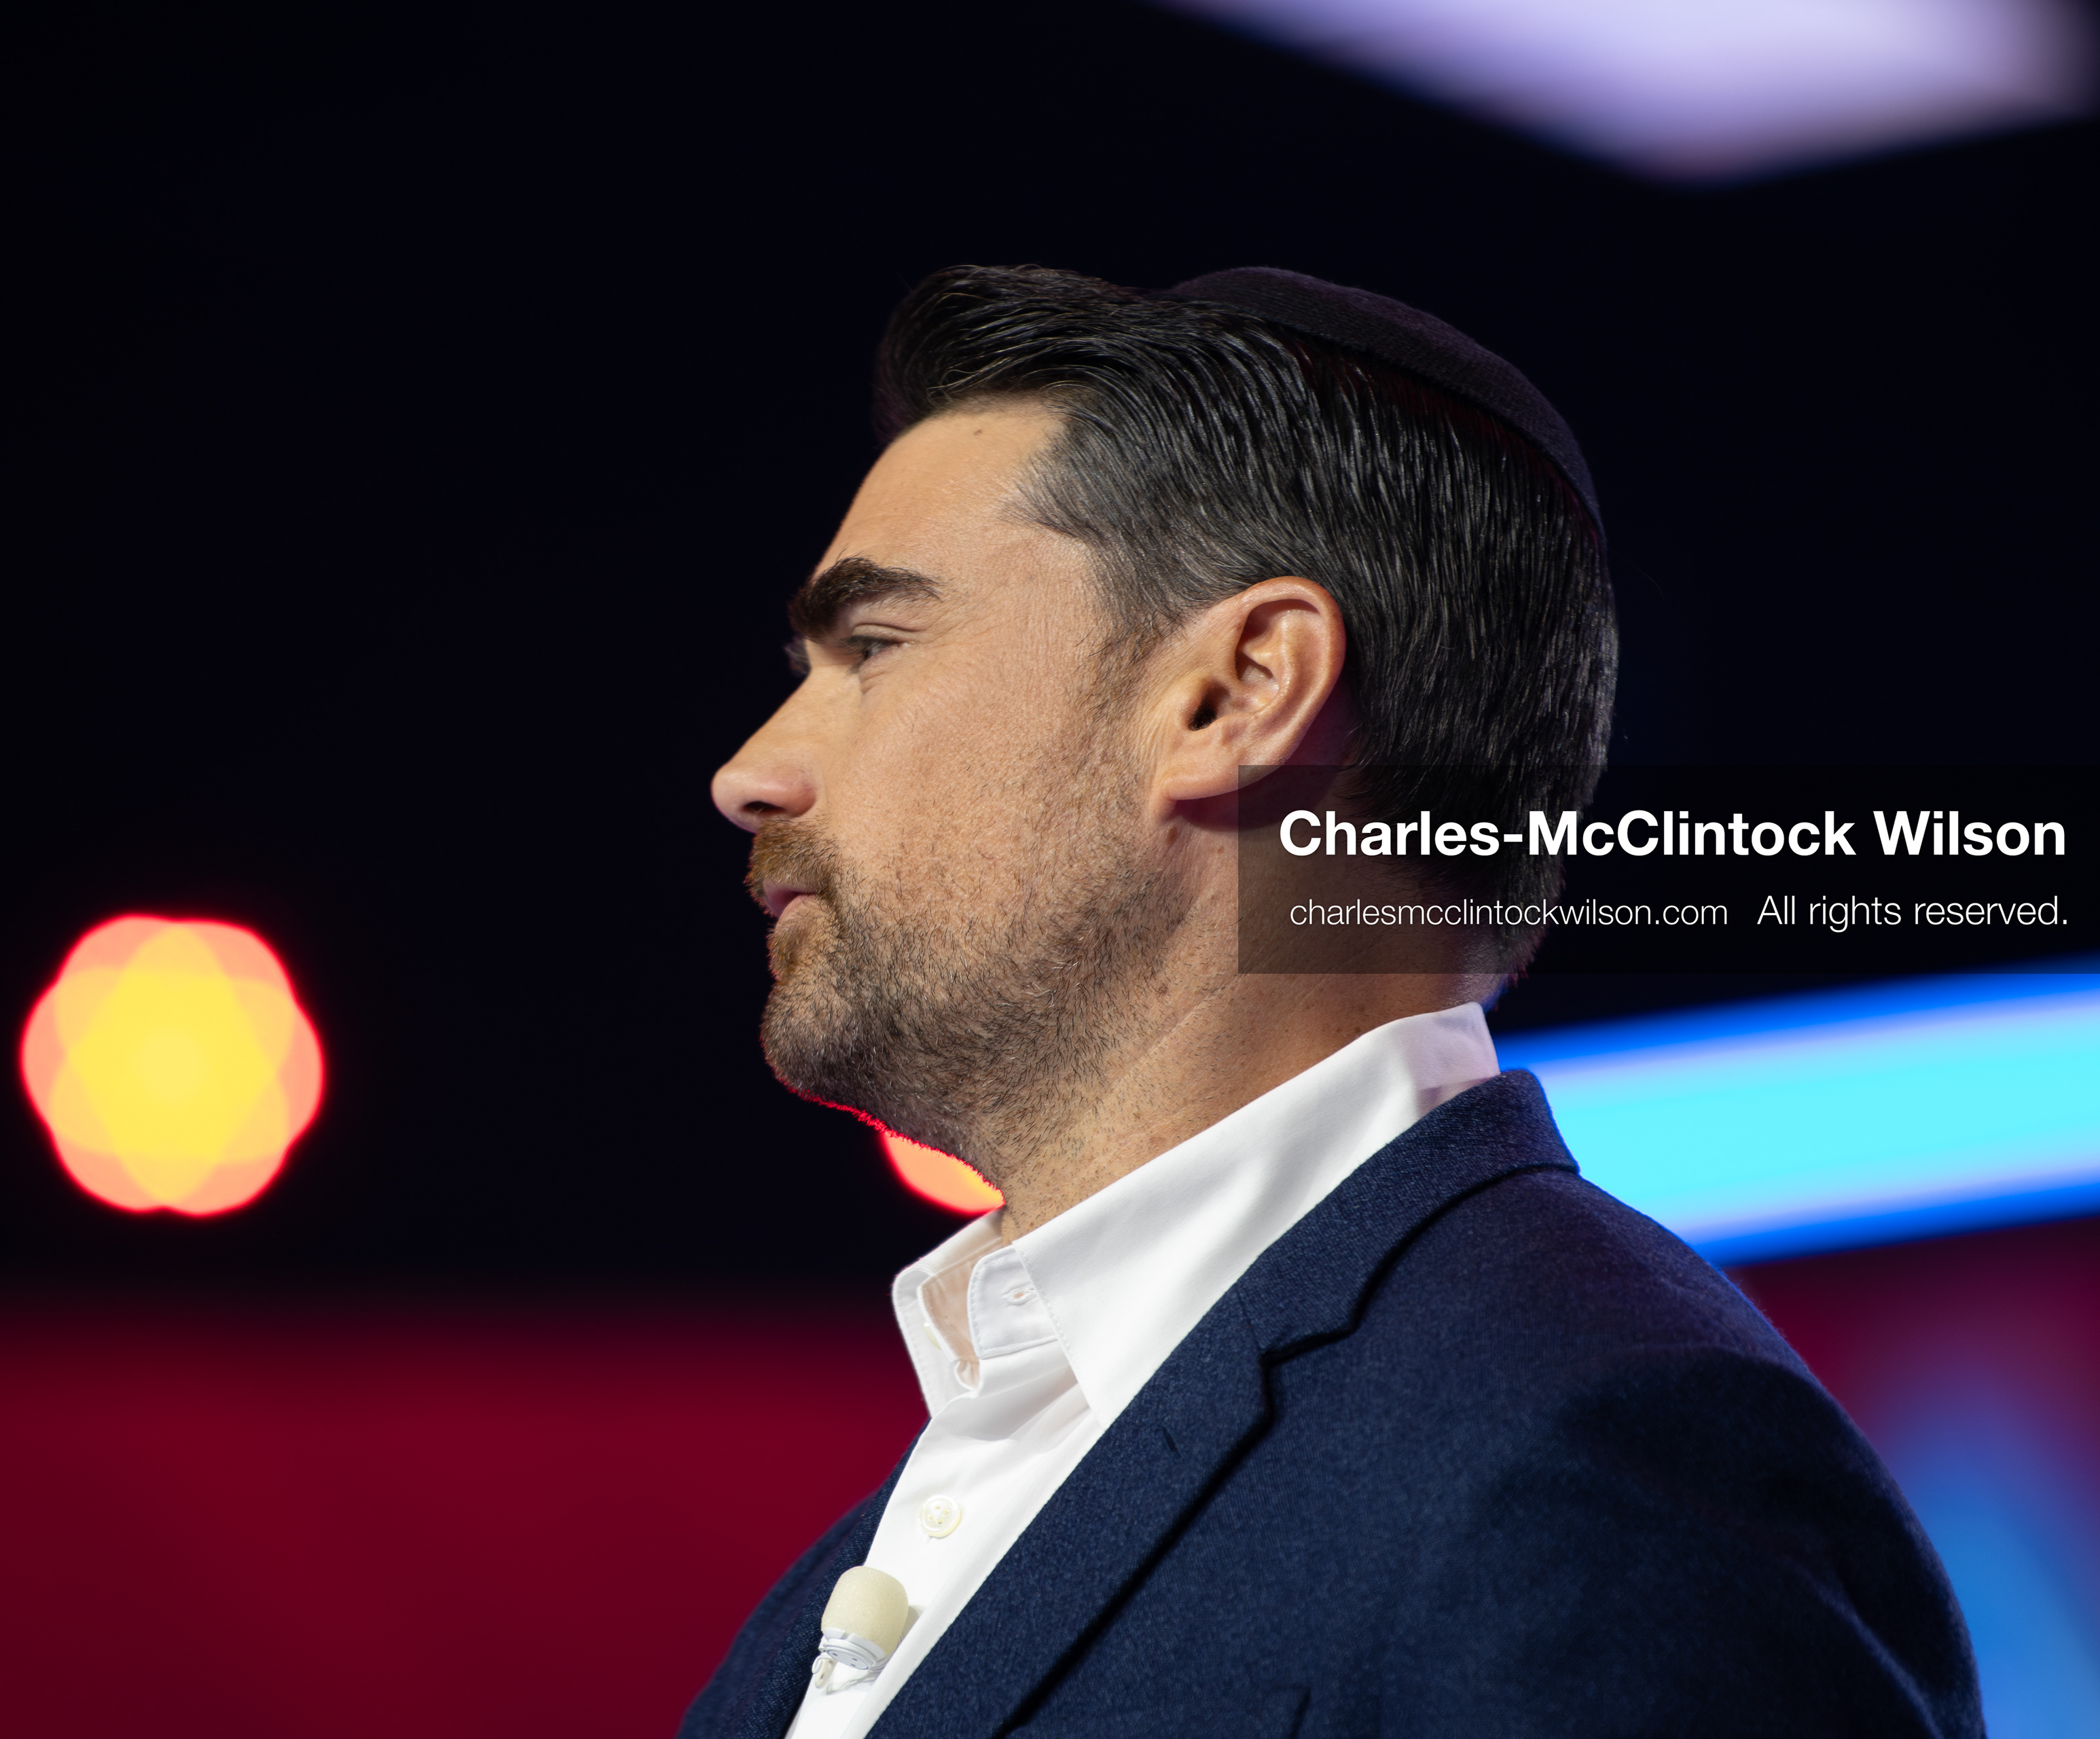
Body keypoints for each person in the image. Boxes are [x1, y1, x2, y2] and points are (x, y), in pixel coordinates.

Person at [682, 265, 1980, 1739]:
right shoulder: (854, 1577)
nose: (754, 768)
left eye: (874, 648)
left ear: (1239, 692)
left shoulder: (1589, 1458)